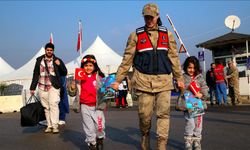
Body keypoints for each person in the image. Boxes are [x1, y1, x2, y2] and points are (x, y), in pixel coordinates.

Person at [111, 3, 184, 150]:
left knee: (163, 115)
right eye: (146, 17)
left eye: (152, 16)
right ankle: (145, 139)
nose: (149, 19)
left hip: (164, 81)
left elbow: (174, 58)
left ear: (157, 16)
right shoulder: (135, 35)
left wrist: (179, 78)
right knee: (144, 116)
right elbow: (127, 60)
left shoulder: (167, 34)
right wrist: (117, 80)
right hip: (143, 81)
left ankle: (161, 146)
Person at [30, 42, 67, 133]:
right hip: (42, 86)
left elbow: (64, 72)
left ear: (53, 51)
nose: (49, 51)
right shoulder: (39, 60)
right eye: (48, 50)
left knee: (53, 105)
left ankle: (55, 126)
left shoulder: (57, 60)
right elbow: (36, 74)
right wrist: (32, 87)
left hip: (53, 86)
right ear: (45, 50)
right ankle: (49, 125)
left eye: (51, 50)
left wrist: (60, 65)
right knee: (46, 107)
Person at [76, 55, 106, 150]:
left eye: (90, 65)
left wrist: (109, 87)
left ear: (94, 66)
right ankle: (92, 143)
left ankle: (100, 138)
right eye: (86, 65)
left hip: (97, 106)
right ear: (82, 66)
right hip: (84, 105)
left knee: (100, 126)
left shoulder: (98, 76)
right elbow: (73, 92)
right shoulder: (79, 77)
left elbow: (104, 90)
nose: (88, 67)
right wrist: (72, 87)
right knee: (89, 127)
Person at [181, 56, 208, 150]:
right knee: (190, 123)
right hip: (188, 105)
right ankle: (188, 141)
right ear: (185, 67)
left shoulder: (200, 78)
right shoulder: (182, 77)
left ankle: (197, 141)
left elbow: (205, 88)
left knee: (198, 124)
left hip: (198, 104)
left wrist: (202, 94)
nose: (191, 70)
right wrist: (178, 85)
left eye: (193, 68)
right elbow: (177, 88)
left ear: (197, 68)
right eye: (189, 67)